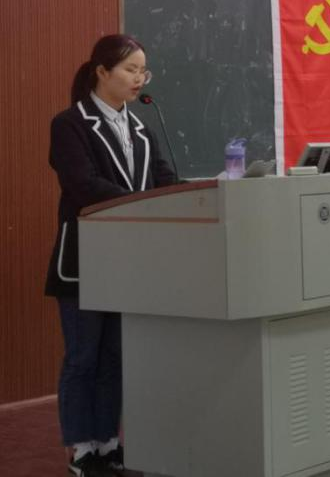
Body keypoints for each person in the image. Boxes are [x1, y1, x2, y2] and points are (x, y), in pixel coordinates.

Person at [45, 34, 177, 477]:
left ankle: (109, 443)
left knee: (115, 358)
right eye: (130, 70)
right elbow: (82, 185)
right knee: (83, 357)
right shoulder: (70, 124)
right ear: (102, 72)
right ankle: (81, 449)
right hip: (83, 261)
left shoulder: (141, 129)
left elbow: (164, 181)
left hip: (129, 263)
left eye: (143, 71)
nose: (139, 79)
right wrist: (140, 203)